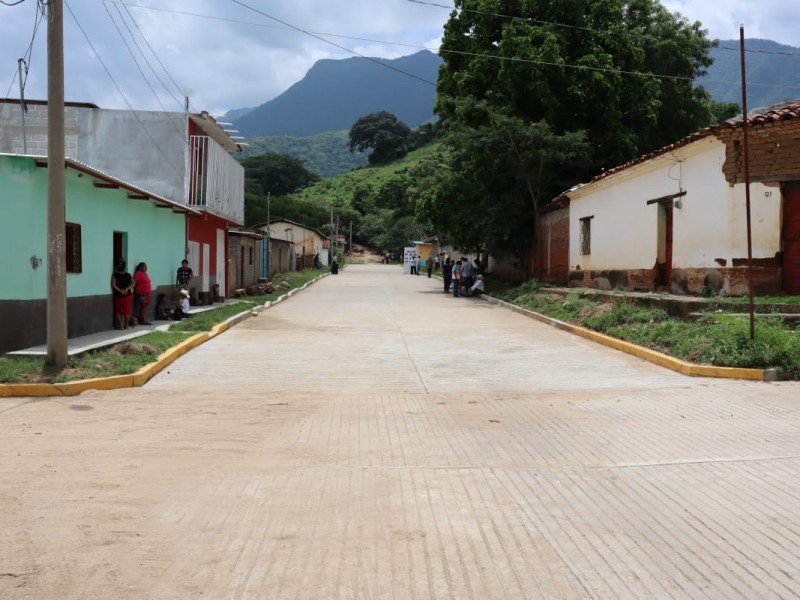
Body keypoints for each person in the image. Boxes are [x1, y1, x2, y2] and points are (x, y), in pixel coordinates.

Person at [111, 260, 134, 330]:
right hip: (128, 295)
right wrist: (127, 289)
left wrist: (120, 290)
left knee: (117, 310)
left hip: (118, 295)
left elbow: (113, 285)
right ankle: (126, 325)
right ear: (124, 267)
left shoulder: (115, 275)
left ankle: (120, 325)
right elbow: (133, 283)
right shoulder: (128, 275)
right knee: (127, 311)